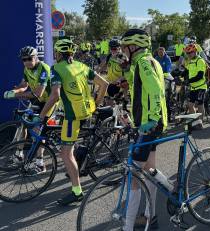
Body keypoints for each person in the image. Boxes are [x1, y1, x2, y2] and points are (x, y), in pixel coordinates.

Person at [38, 39, 109, 205]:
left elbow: (55, 95)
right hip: (87, 111)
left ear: (59, 54)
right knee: (70, 144)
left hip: (73, 116)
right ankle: (78, 160)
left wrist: (41, 115)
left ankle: (77, 191)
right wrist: (97, 103)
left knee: (65, 153)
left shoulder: (56, 69)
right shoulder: (81, 66)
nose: (54, 55)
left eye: (56, 52)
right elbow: (104, 84)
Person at [120, 28, 168, 230]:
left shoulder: (143, 62)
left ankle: (128, 226)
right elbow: (139, 86)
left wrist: (153, 119)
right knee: (149, 169)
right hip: (149, 123)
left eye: (125, 48)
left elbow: (155, 89)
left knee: (134, 175)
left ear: (134, 47)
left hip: (150, 124)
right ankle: (153, 213)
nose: (123, 51)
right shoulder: (146, 61)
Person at [3, 46, 56, 173]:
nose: (26, 61)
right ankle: (19, 154)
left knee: (38, 129)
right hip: (36, 101)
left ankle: (40, 163)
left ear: (36, 57)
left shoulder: (44, 68)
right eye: (24, 59)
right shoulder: (27, 68)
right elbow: (24, 85)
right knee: (23, 124)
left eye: (29, 58)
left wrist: (16, 95)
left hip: (48, 101)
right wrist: (14, 91)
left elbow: (38, 92)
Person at [183, 43, 207, 128]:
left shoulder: (200, 61)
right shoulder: (191, 61)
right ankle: (194, 121)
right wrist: (178, 74)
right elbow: (186, 71)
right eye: (187, 53)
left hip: (201, 87)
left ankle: (200, 123)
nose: (188, 55)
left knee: (200, 105)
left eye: (190, 53)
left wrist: (188, 81)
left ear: (195, 52)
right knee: (190, 105)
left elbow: (200, 76)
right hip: (193, 87)